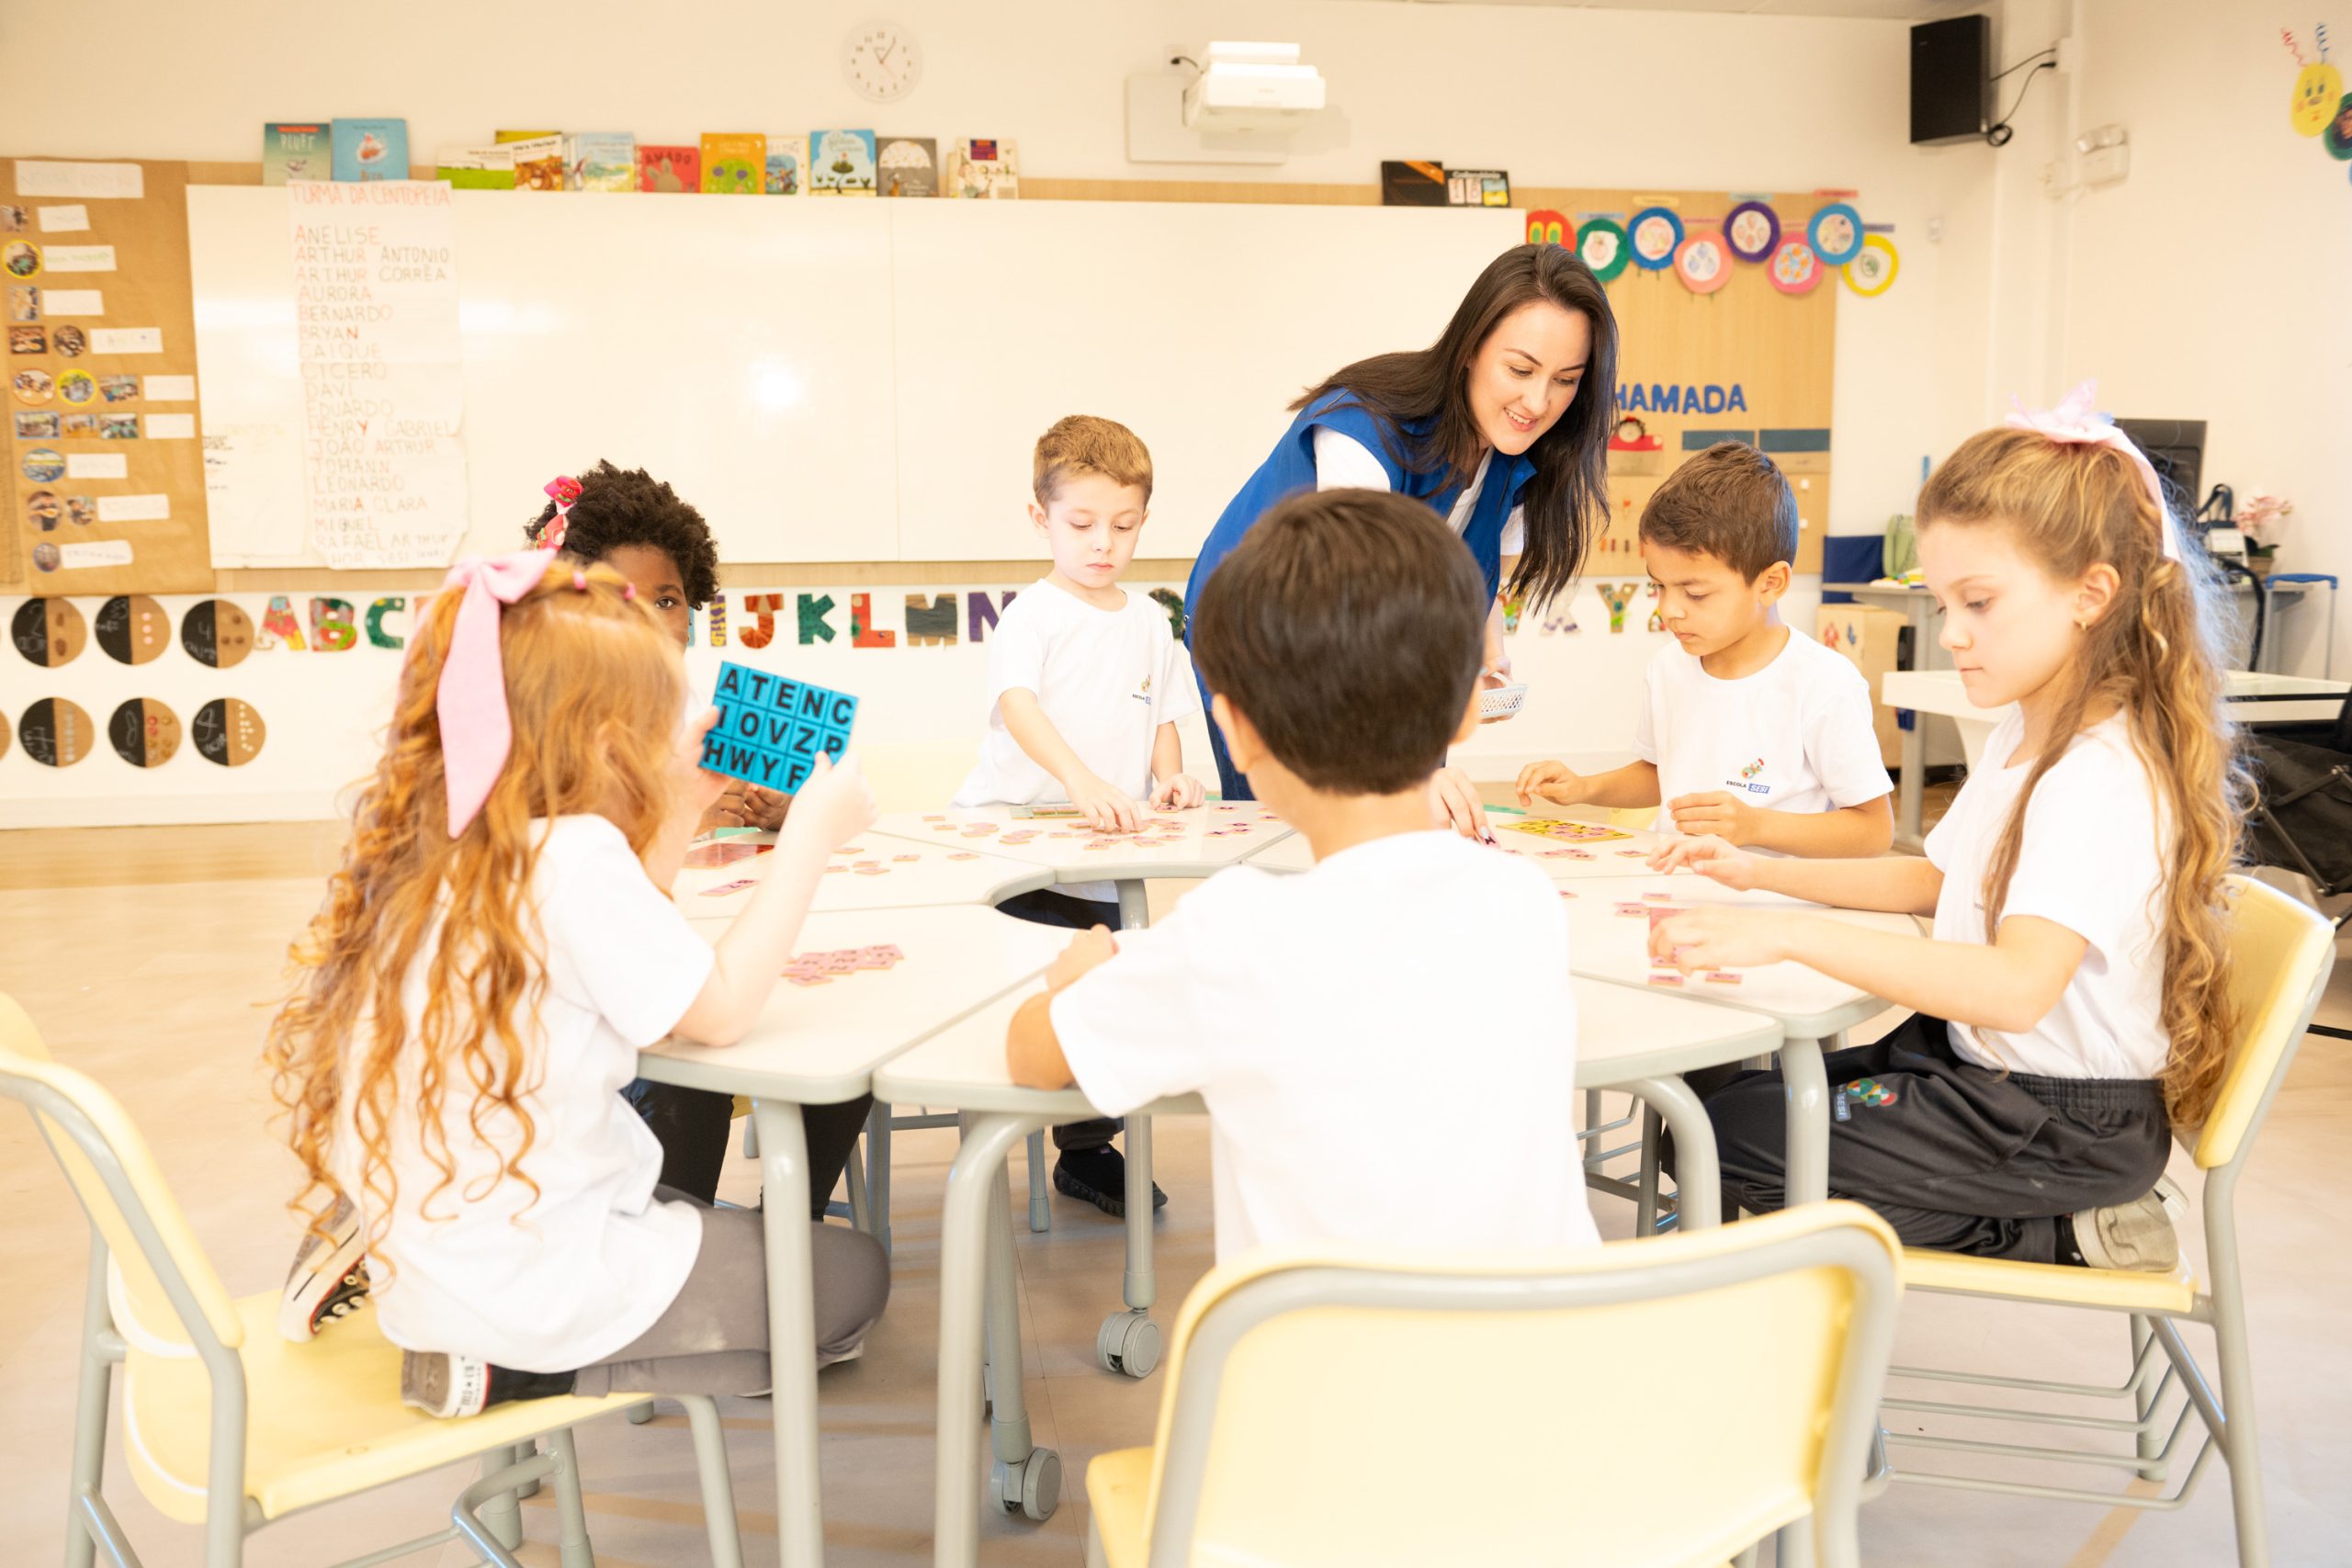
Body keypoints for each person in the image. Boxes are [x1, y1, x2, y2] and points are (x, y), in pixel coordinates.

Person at [266, 550, 888, 1410]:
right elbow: (718, 1011)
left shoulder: (460, 843)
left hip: (446, 1245)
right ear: (606, 740)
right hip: (534, 1279)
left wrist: (681, 807)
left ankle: (413, 1274)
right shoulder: (574, 855)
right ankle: (519, 1371)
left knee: (691, 1209)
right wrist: (812, 834)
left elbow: (634, 944)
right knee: (856, 1274)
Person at [1646, 387, 2245, 1271]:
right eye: (1942, 605)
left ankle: (2074, 1236)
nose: (1952, 635)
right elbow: (1934, 878)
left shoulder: (2102, 773)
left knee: (1726, 1141)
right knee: (1711, 1109)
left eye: (1979, 603)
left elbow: (2012, 988)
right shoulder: (2029, 723)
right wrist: (1752, 872)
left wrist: (1785, 934)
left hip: (2060, 1123)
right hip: (1983, 1069)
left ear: (2091, 594)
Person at [1006, 488, 1600, 1258]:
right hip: (1557, 1357)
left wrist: (1078, 976)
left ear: (1237, 734)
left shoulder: (1232, 933)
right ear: (1466, 716)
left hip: (1312, 1374)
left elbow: (1029, 1056)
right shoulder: (1523, 900)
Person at [525, 466, 876, 1210]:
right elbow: (715, 1011)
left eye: (668, 601)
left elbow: (630, 899)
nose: (651, 622)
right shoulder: (568, 834)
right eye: (621, 600)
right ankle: (742, 1251)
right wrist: (809, 834)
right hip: (571, 1223)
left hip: (534, 1183)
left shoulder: (665, 710)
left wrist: (700, 803)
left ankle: (770, 1233)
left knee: (823, 1043)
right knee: (719, 1062)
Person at [1186, 242, 1619, 837]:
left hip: (1362, 631)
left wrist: (1487, 659)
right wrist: (1411, 774)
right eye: (1520, 370)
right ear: (1469, 349)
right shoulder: (1366, 430)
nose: (1538, 402)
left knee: (1411, 819)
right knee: (1297, 823)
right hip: (1268, 628)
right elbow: (1351, 622)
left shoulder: (1520, 459)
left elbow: (1478, 583)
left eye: (1566, 380)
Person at [954, 415, 1204, 1215]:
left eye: (1124, 526)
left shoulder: (1152, 621)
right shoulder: (1033, 613)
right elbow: (1017, 704)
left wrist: (1168, 779)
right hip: (1014, 832)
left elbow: (1161, 714)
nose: (1104, 544)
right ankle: (997, 1128)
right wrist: (1081, 779)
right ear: (1041, 519)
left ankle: (1086, 1152)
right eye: (1082, 524)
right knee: (1022, 987)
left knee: (1103, 983)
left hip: (1102, 844)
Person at [1514, 442, 1894, 856]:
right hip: (1672, 890)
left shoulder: (1824, 685)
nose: (1669, 610)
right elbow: (1663, 773)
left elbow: (1874, 831)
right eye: (1659, 586)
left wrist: (1754, 825)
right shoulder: (1668, 668)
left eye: (1695, 593)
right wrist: (1586, 787)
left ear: (1771, 584)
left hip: (1773, 904)